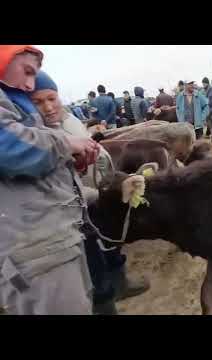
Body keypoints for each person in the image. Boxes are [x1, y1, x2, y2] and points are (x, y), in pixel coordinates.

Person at [30, 71, 151, 315]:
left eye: (51, 98)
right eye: (38, 101)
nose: (48, 106)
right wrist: (105, 193)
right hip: (73, 213)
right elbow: (59, 188)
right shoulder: (39, 140)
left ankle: (120, 283)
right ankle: (107, 300)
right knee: (94, 268)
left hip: (91, 196)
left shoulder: (68, 121)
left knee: (108, 244)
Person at [0, 45, 100, 315]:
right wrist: (66, 144)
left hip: (52, 236)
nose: (29, 84)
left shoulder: (11, 98)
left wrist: (67, 163)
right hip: (34, 246)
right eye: (27, 71)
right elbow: (10, 148)